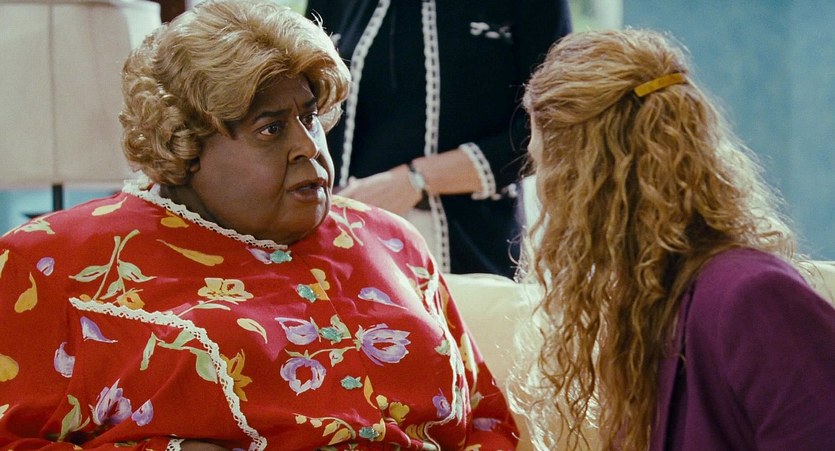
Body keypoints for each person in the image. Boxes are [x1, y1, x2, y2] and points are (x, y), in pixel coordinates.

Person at [0, 1, 519, 449]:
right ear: (184, 143)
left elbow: (486, 419)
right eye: (270, 129)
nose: (308, 146)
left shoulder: (390, 238)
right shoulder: (50, 261)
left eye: (309, 117)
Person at [512, 29, 835, 450]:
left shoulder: (751, 295)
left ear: (581, 177)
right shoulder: (646, 305)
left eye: (540, 166)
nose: (542, 192)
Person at [304, 0, 572, 278]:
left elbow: (557, 123)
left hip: (474, 253)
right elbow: (304, 110)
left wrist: (416, 180)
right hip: (347, 245)